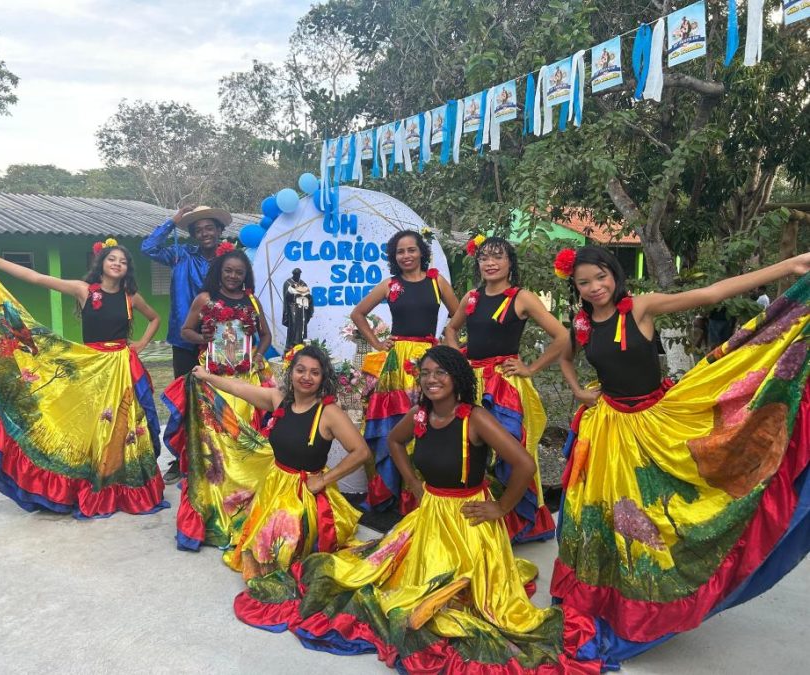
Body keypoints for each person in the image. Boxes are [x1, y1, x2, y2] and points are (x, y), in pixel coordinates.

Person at [233, 347, 603, 674]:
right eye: (425, 373)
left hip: (466, 524)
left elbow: (524, 463)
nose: (431, 380)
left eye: (440, 373)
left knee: (440, 606)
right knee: (375, 581)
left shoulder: (474, 418)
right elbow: (394, 441)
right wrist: (413, 482)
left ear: (457, 378)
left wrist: (501, 507)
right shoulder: (420, 415)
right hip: (429, 515)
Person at [550, 245, 810, 665]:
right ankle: (607, 599)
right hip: (609, 431)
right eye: (584, 282)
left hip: (656, 424)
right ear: (575, 287)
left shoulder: (642, 308)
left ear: (614, 274)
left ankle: (644, 607)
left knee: (654, 518)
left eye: (601, 277)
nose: (595, 287)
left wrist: (790, 264)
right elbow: (565, 356)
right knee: (608, 517)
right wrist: (580, 390)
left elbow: (710, 294)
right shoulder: (582, 323)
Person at [0, 243, 166, 517]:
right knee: (92, 427)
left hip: (123, 367)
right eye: (112, 259)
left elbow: (155, 318)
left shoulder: (130, 297)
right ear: (101, 263)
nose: (117, 264)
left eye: (122, 261)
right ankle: (91, 482)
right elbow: (38, 278)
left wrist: (141, 343)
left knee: (125, 426)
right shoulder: (83, 290)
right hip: (92, 368)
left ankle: (124, 484)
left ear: (127, 269)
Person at [179, 344, 371, 574]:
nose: (306, 377)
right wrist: (207, 377)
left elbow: (361, 451)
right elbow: (238, 388)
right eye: (301, 370)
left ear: (323, 378)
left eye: (315, 372)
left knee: (278, 558)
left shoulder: (328, 413)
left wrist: (324, 479)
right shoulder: (279, 400)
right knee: (258, 545)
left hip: (305, 495)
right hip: (274, 486)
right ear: (291, 373)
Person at [444, 236, 566, 542]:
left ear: (510, 263)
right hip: (471, 383)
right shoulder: (471, 296)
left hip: (505, 386)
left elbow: (563, 336)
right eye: (484, 258)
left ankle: (513, 523)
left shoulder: (521, 298)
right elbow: (451, 328)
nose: (490, 263)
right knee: (471, 450)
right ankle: (476, 518)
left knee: (510, 451)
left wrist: (531, 367)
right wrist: (455, 358)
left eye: (497, 257)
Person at [162, 247, 278, 548]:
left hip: (246, 383)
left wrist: (256, 356)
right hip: (214, 382)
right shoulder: (205, 300)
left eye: (239, 272)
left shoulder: (252, 300)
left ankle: (248, 505)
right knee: (218, 447)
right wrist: (209, 339)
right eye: (228, 271)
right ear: (219, 272)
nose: (233, 276)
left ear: (245, 275)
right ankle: (218, 506)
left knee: (248, 442)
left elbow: (265, 336)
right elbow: (186, 331)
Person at [351, 229, 459, 512]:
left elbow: (459, 315)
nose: (406, 256)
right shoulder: (390, 285)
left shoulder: (437, 282)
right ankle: (391, 492)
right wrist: (376, 342)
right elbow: (358, 314)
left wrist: (450, 345)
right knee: (394, 423)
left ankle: (419, 493)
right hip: (396, 363)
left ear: (421, 252)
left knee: (425, 422)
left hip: (428, 362)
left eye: (411, 250)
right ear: (394, 256)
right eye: (400, 251)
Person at [142, 204, 231, 483]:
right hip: (184, 340)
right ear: (192, 234)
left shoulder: (229, 260)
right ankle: (181, 458)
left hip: (221, 342)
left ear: (219, 231)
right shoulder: (180, 255)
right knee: (184, 400)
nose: (205, 233)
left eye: (210, 228)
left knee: (219, 399)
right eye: (198, 229)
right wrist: (173, 220)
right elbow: (148, 247)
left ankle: (218, 456)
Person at [282, 268, 313, 350]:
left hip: (302, 309)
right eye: (296, 274)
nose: (297, 276)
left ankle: (302, 345)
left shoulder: (303, 283)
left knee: (302, 326)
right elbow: (286, 297)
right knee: (293, 326)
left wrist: (306, 295)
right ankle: (291, 346)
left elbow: (308, 296)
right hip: (292, 308)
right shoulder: (288, 283)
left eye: (299, 274)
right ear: (293, 274)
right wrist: (294, 292)